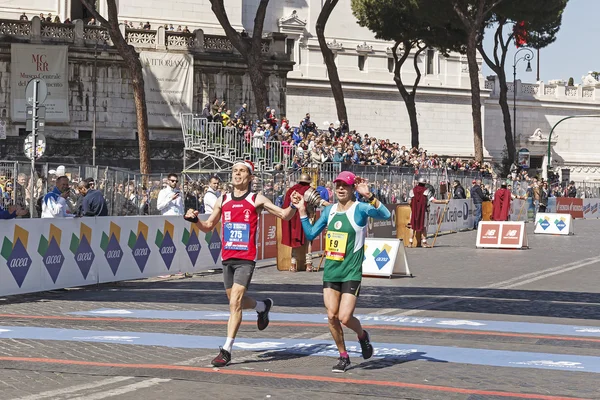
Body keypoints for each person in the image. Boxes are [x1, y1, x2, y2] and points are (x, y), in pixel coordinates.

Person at [184, 160, 301, 368]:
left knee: (234, 303)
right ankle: (262, 306)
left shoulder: (256, 198)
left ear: (250, 177)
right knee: (234, 300)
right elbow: (208, 226)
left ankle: (226, 350)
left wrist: (292, 205)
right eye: (235, 171)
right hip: (227, 258)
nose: (237, 174)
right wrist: (195, 221)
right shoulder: (224, 199)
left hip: (246, 258)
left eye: (242, 171)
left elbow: (284, 215)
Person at [296, 171, 390, 373]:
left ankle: (362, 336)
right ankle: (343, 356)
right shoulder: (329, 211)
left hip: (350, 272)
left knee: (345, 318)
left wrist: (369, 195)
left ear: (352, 189)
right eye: (337, 185)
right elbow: (311, 234)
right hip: (331, 271)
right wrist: (302, 212)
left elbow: (386, 215)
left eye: (345, 185)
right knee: (331, 316)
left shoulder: (360, 209)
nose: (340, 189)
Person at [281, 173, 329, 272]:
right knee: (309, 241)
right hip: (306, 218)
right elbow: (320, 202)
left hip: (293, 218)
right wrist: (333, 206)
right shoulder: (309, 191)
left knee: (295, 240)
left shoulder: (291, 190)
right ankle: (309, 264)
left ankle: (293, 264)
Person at [408, 177, 446, 248]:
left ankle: (410, 242)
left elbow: (409, 201)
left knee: (413, 227)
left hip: (414, 211)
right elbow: (433, 200)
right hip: (423, 211)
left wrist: (414, 205)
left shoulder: (412, 190)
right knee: (423, 226)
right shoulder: (427, 191)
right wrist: (443, 201)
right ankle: (424, 242)